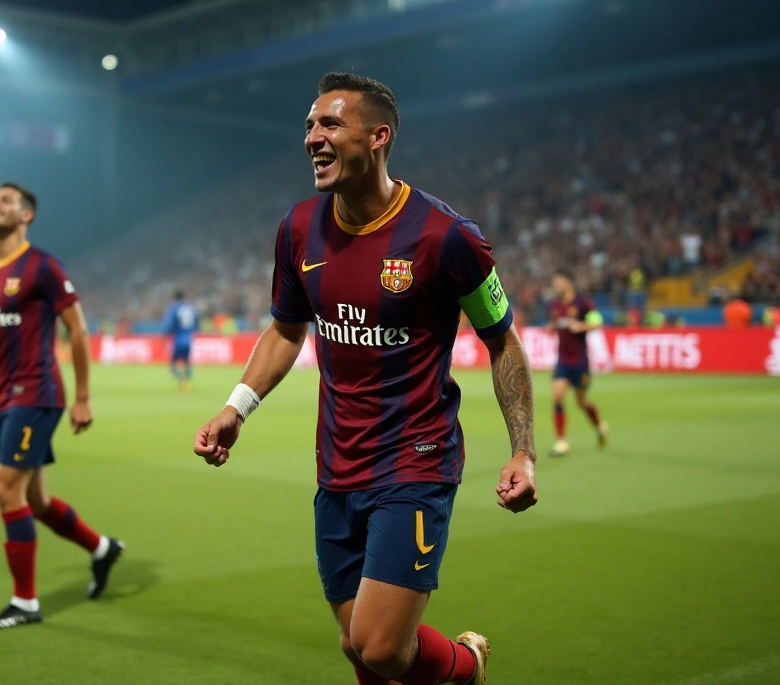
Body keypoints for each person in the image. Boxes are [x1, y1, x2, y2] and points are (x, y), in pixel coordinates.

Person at [193, 73, 538, 685]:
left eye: (329, 124)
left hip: (414, 460)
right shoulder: (299, 229)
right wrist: (236, 407)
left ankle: (468, 667)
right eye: (308, 126)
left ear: (378, 137)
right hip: (337, 463)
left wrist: (523, 450)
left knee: (379, 645)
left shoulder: (445, 237)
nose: (312, 138)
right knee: (360, 648)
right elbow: (285, 329)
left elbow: (502, 341)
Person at [0, 182, 124, 631]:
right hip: (6, 397)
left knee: (5, 490)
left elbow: (77, 329)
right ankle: (102, 549)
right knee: (36, 501)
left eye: (5, 200)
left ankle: (24, 603)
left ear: (27, 216)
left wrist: (83, 397)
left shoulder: (42, 266)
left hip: (38, 393)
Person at [546, 270, 608, 457]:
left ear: (568, 283)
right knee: (557, 396)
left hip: (580, 361)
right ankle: (561, 442)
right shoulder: (555, 306)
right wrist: (551, 328)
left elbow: (598, 323)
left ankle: (599, 425)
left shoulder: (583, 303)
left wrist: (581, 326)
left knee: (581, 402)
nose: (555, 287)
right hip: (563, 361)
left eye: (558, 283)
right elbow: (555, 324)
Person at [162, 290, 199, 392]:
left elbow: (169, 324)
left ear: (174, 298)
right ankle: (186, 381)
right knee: (187, 362)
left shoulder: (173, 308)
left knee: (173, 364)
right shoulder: (191, 308)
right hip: (189, 340)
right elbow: (196, 324)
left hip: (178, 340)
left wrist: (165, 335)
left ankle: (182, 380)